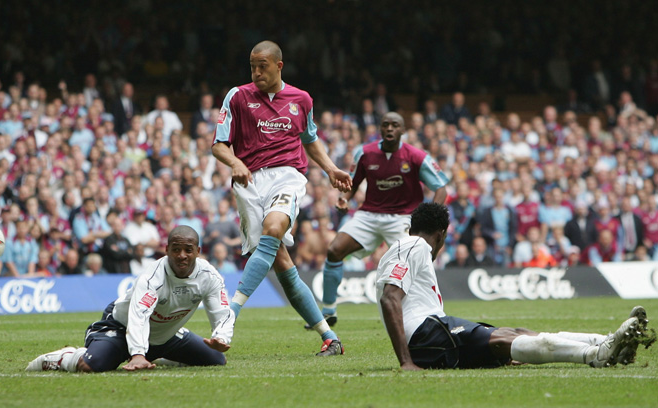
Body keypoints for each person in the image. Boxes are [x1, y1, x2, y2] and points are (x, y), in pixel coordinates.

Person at [377, 202, 649, 371]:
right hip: (425, 334)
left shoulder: (410, 246)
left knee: (515, 334)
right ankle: (595, 355)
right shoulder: (414, 244)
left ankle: (607, 341)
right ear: (441, 234)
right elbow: (390, 298)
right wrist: (406, 361)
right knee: (505, 340)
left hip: (432, 333)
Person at [211, 40, 351, 356]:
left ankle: (229, 316)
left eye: (263, 66)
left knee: (275, 228)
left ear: (278, 65)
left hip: (287, 176)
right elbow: (219, 144)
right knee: (281, 262)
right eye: (252, 66)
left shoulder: (301, 100)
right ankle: (330, 338)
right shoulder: (237, 96)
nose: (257, 72)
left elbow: (310, 140)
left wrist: (330, 169)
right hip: (248, 182)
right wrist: (235, 161)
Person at [26, 226, 234, 372]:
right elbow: (138, 317)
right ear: (166, 250)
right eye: (176, 249)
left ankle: (158, 355)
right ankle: (63, 357)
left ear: (198, 251)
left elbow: (222, 310)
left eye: (188, 250)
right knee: (90, 365)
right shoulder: (152, 278)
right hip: (121, 327)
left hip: (165, 334)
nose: (182, 255)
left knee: (216, 360)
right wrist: (137, 354)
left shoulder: (210, 276)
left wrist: (221, 336)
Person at [314, 112, 448, 328]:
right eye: (385, 125)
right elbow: (353, 182)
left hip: (403, 218)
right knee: (334, 250)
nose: (389, 129)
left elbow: (441, 188)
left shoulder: (416, 156)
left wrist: (430, 216)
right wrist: (344, 198)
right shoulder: (364, 153)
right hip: (369, 215)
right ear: (380, 129)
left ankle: (432, 311)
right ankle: (328, 310)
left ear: (402, 130)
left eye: (395, 125)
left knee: (418, 259)